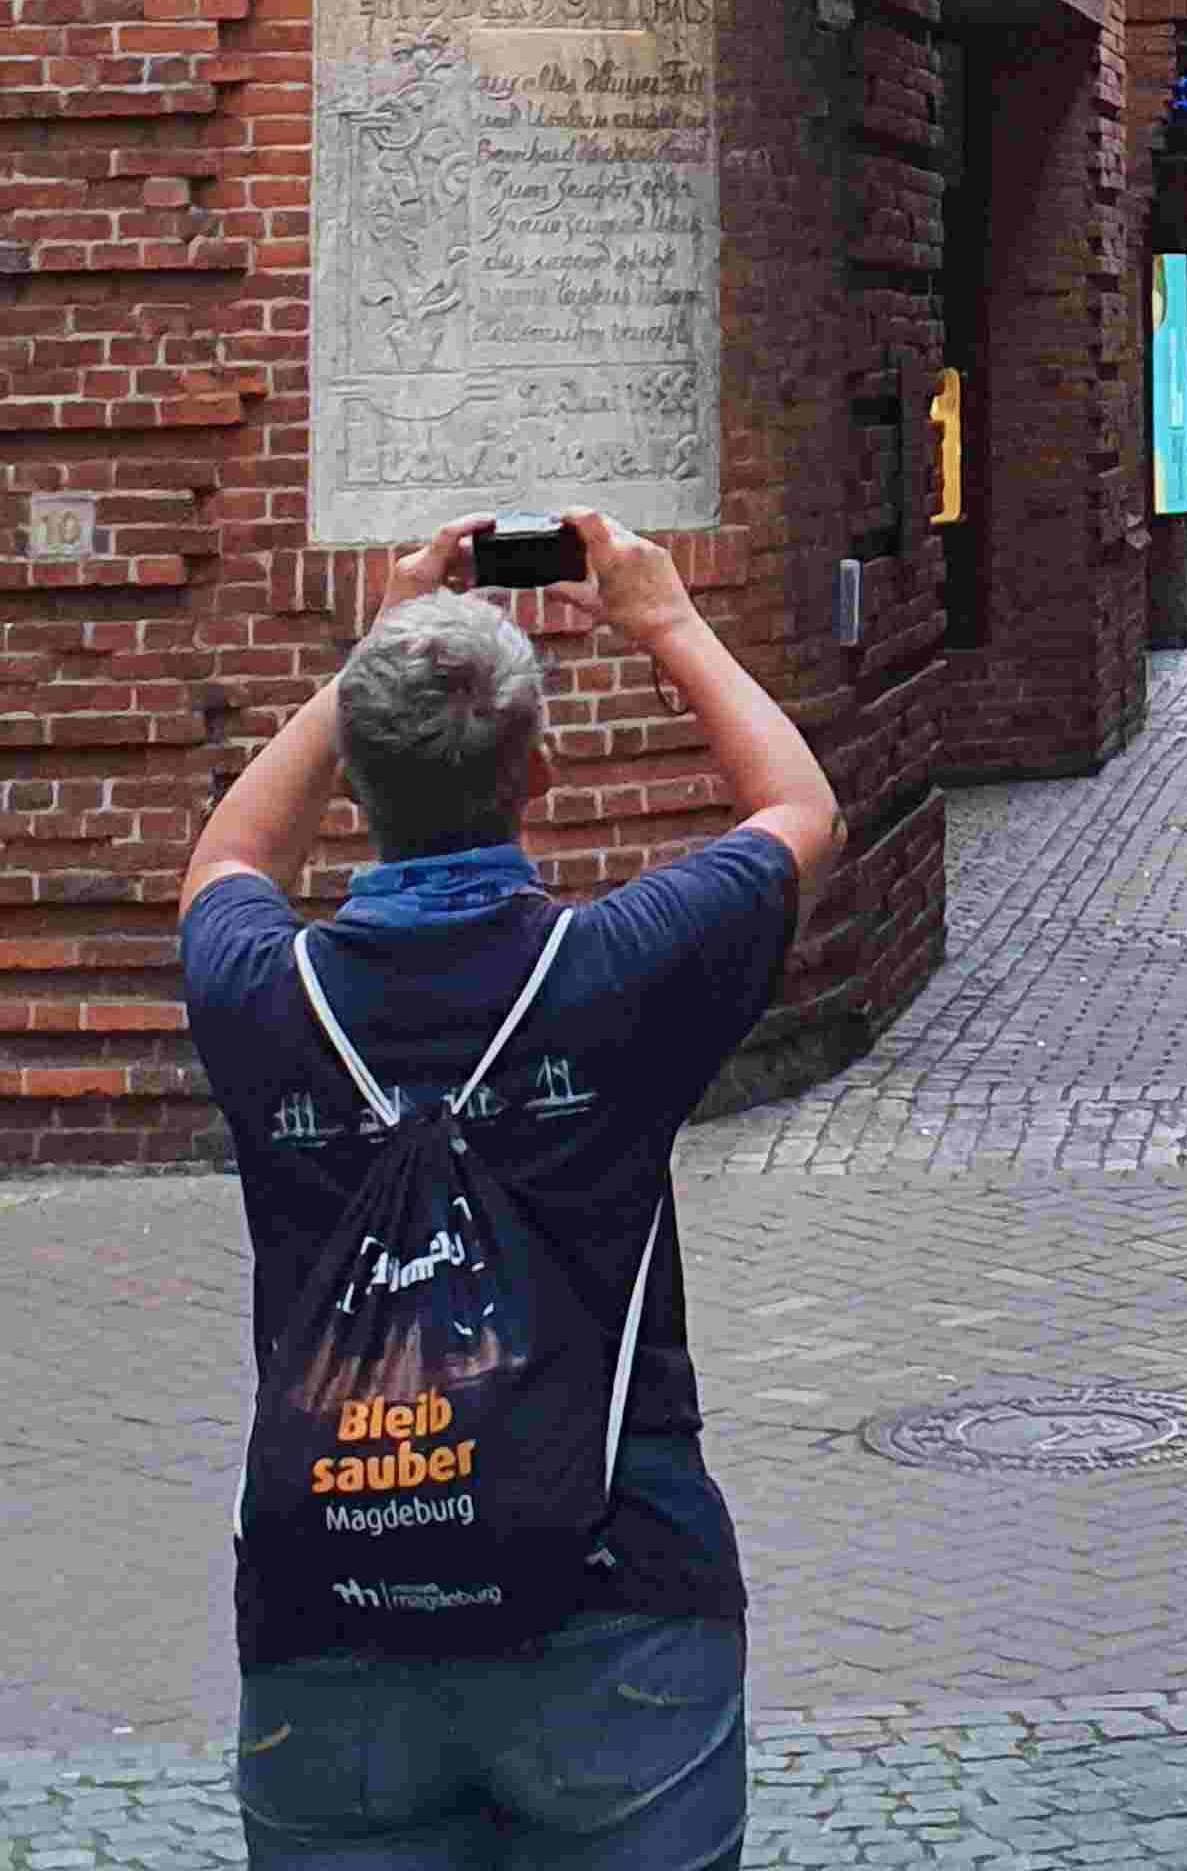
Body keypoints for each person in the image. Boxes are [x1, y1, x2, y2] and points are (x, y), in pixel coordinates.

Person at [179, 507, 846, 1871]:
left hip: (332, 1624)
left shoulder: (264, 993)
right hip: (615, 1603)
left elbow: (224, 865)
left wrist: (372, 657)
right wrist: (664, 618)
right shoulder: (616, 973)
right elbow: (800, 813)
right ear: (538, 770)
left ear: (357, 778)